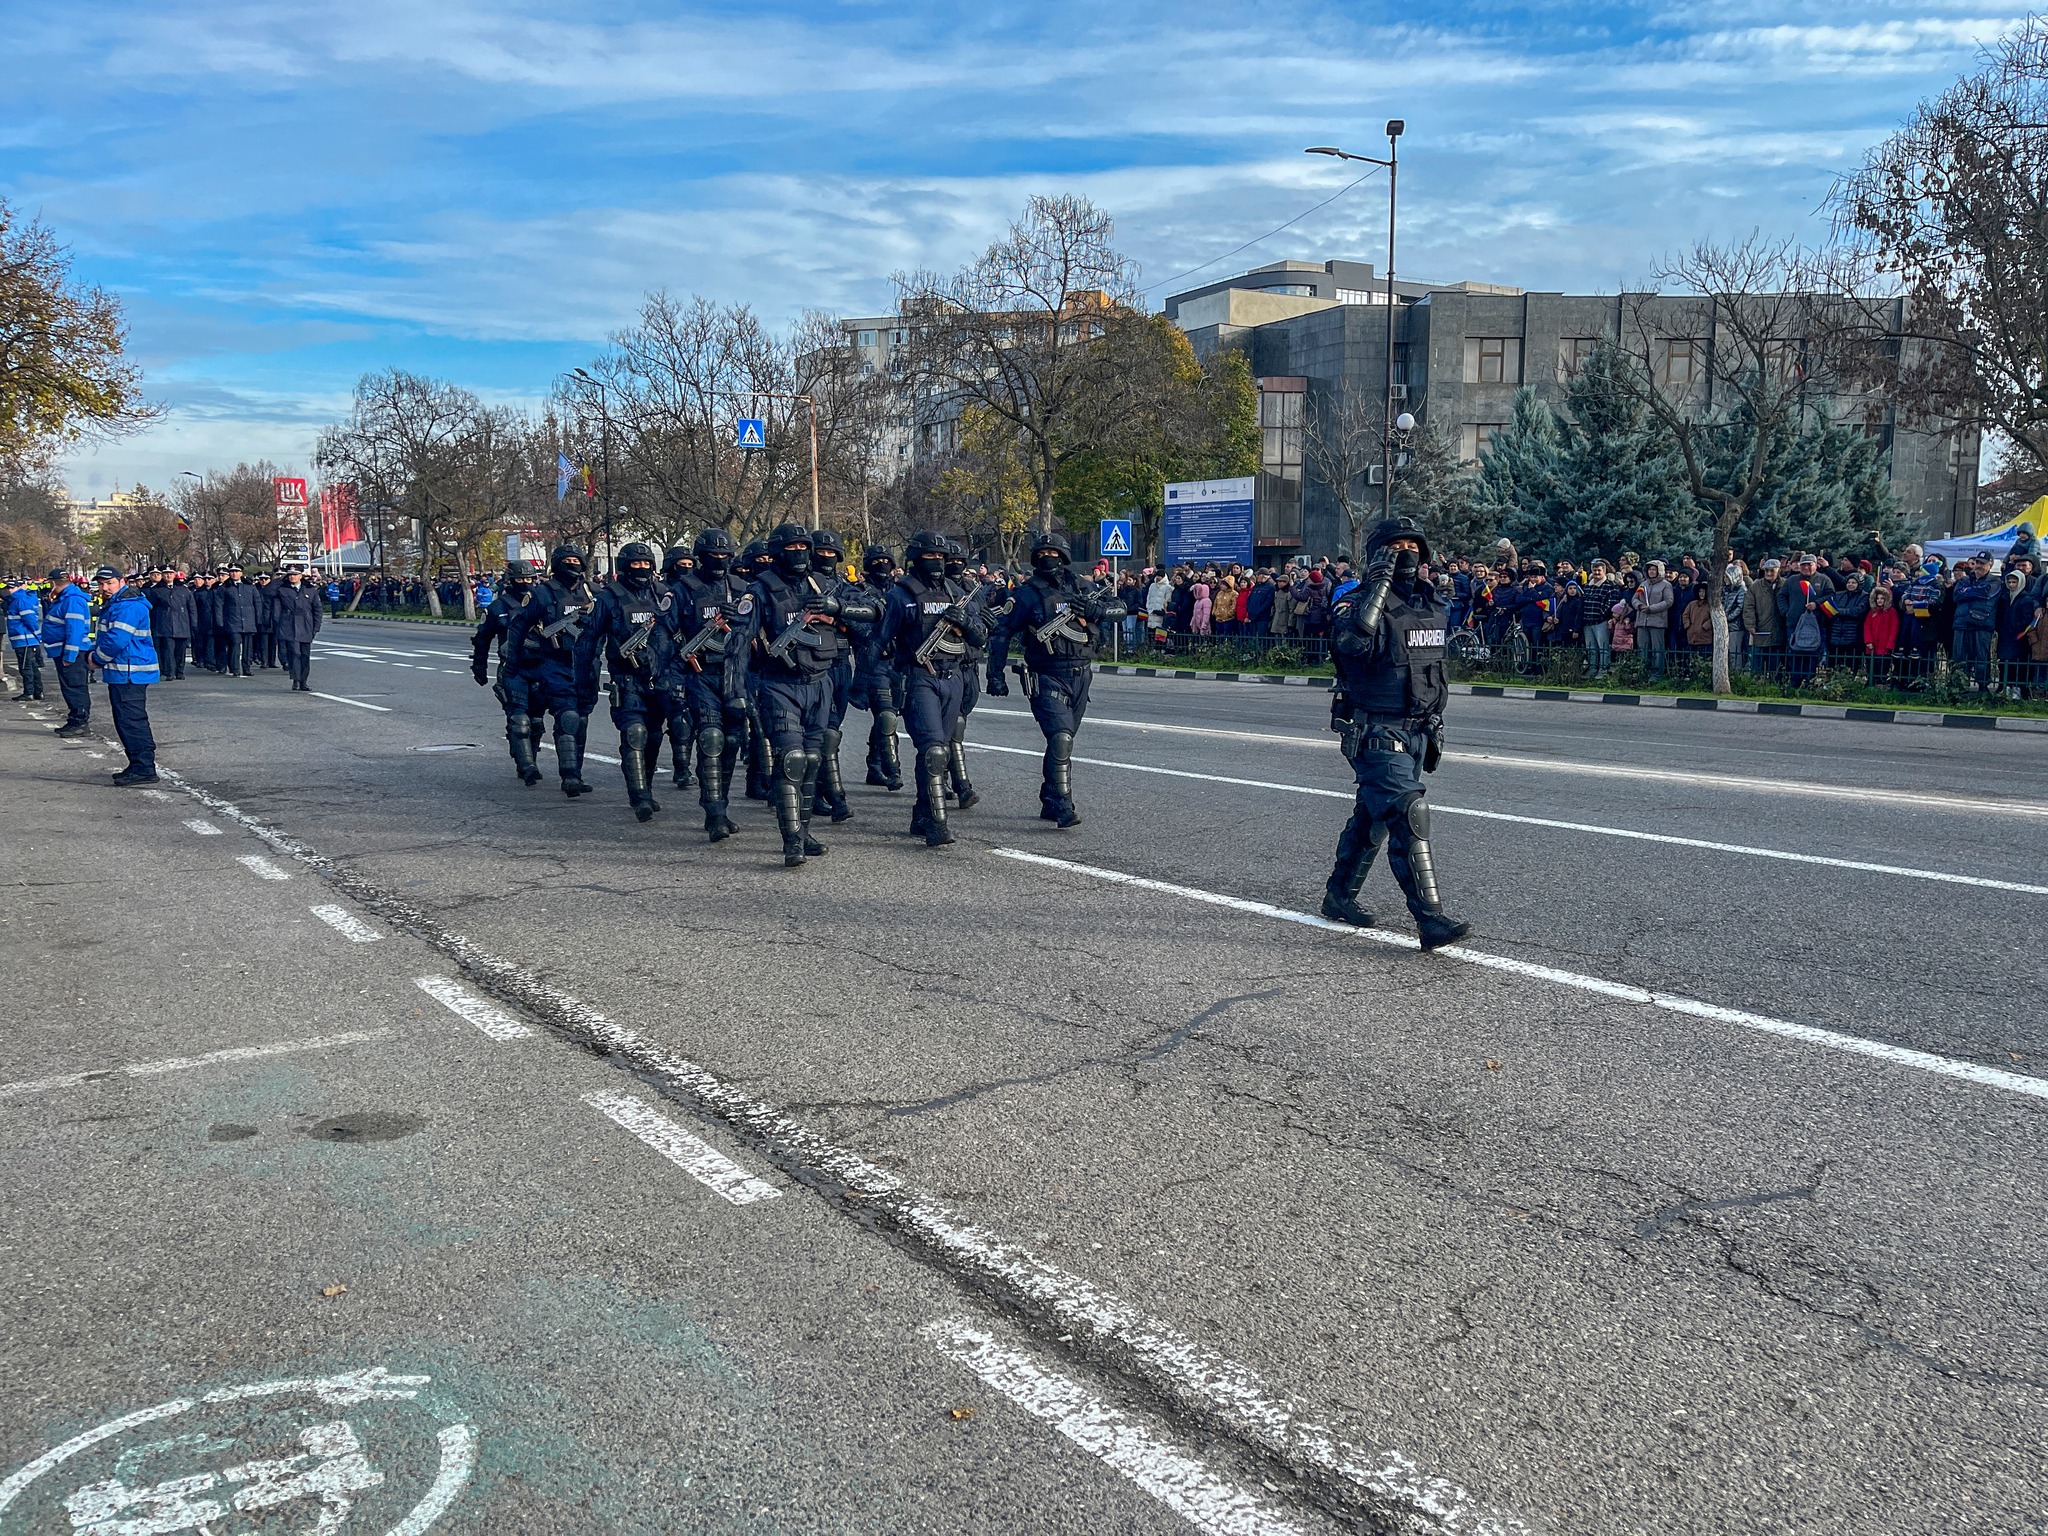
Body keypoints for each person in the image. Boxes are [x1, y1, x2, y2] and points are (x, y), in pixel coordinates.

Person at [1322, 517, 1469, 950]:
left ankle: (1339, 896)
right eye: (1395, 546)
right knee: (1408, 812)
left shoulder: (1431, 604)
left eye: (1412, 545)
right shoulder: (1356, 603)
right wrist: (1377, 583)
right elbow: (1352, 645)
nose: (1405, 553)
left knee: (1373, 817)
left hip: (1418, 730)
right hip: (1374, 729)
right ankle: (1431, 920)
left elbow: (1429, 668)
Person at [736, 523, 875, 866]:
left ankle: (805, 831)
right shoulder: (761, 590)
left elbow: (874, 611)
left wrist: (837, 608)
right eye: (791, 547)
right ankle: (791, 841)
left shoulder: (824, 584)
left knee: (813, 760)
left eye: (803, 546)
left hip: (821, 683)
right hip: (779, 684)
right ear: (777, 552)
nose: (799, 553)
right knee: (792, 760)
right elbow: (738, 644)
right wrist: (736, 691)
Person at [985, 528, 1124, 828]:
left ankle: (1050, 798)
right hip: (1046, 675)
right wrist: (995, 675)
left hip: (1081, 675)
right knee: (1060, 738)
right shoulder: (1027, 594)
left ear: (1065, 557)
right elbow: (1001, 632)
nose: (1049, 558)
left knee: (1065, 740)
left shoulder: (1082, 587)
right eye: (1043, 555)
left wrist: (1095, 609)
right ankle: (1062, 805)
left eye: (1054, 554)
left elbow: (1119, 609)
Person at [884, 529, 986, 847]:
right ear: (915, 559)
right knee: (934, 751)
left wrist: (966, 622)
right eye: (930, 556)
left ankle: (921, 812)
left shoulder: (957, 592)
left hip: (952, 677)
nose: (937, 562)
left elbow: (980, 637)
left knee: (935, 751)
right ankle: (937, 824)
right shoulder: (901, 595)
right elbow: (880, 639)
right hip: (919, 677)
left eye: (941, 557)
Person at [574, 541, 680, 823]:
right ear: (624, 566)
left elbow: (680, 630)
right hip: (626, 677)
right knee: (635, 733)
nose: (642, 569)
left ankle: (647, 786)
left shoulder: (663, 596)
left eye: (646, 564)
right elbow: (588, 641)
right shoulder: (609, 598)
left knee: (655, 735)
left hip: (659, 678)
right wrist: (584, 682)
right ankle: (639, 796)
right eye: (636, 564)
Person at [505, 547, 597, 797]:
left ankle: (577, 771)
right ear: (557, 564)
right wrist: (512, 665)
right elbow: (518, 628)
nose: (572, 565)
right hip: (556, 663)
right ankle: (570, 777)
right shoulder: (542, 594)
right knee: (567, 716)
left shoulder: (591, 592)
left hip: (586, 666)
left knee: (582, 720)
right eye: (567, 561)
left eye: (576, 561)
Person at [809, 528, 868, 823]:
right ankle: (835, 796)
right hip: (816, 664)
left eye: (831, 553)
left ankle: (818, 790)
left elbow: (866, 620)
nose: (826, 557)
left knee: (830, 732)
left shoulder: (845, 587)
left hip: (842, 663)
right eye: (821, 552)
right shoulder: (802, 585)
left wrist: (840, 617)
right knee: (825, 734)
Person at [470, 560, 544, 784]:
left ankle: (528, 756)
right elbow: (482, 639)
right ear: (510, 581)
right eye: (520, 579)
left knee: (537, 723)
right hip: (512, 669)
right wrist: (479, 667)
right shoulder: (498, 608)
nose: (525, 583)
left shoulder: (543, 603)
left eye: (529, 579)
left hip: (541, 668)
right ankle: (527, 766)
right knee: (519, 720)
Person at [89, 567, 160, 784]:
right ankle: (139, 764)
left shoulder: (127, 606)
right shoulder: (119, 604)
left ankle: (144, 767)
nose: (104, 588)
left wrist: (96, 658)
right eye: (101, 584)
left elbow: (117, 639)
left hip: (130, 672)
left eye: (109, 583)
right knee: (126, 720)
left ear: (121, 581)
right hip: (125, 671)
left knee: (131, 721)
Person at [850, 545, 905, 791]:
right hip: (874, 663)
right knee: (886, 716)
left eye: (886, 560)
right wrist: (873, 641)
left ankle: (874, 765)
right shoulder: (859, 593)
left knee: (889, 716)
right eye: (876, 561)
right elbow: (854, 622)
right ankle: (893, 771)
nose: (882, 565)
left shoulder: (900, 592)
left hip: (900, 662)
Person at [659, 546, 698, 795]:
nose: (686, 568)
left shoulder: (696, 590)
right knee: (678, 718)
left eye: (689, 563)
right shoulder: (662, 593)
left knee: (692, 720)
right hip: (669, 661)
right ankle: (681, 768)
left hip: (696, 662)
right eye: (680, 563)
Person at [44, 569, 93, 735]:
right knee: (70, 687)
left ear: (53, 582)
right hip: (64, 650)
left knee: (75, 687)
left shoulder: (72, 600)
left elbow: (75, 630)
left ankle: (80, 722)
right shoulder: (65, 598)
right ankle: (74, 720)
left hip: (71, 651)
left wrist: (69, 656)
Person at [1950, 556, 2001, 686]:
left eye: (1982, 563)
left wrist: (1967, 592)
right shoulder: (1965, 579)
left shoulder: (1995, 580)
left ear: (1990, 565)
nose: (1978, 565)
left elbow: (1987, 593)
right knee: (1959, 657)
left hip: (1982, 623)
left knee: (1981, 657)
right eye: (1977, 562)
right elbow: (1956, 596)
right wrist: (1974, 592)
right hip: (1962, 622)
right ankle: (1959, 685)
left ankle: (1983, 686)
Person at [273, 567, 323, 690]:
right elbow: (277, 610)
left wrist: (316, 627)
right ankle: (296, 679)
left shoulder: (310, 590)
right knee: (294, 653)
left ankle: (303, 681)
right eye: (290, 574)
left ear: (301, 576)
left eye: (295, 574)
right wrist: (278, 624)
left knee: (305, 655)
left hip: (306, 625)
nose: (292, 577)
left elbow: (317, 610)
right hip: (289, 625)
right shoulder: (282, 590)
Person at [1631, 560, 1674, 679]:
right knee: (1642, 648)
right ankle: (1642, 672)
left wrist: (1652, 608)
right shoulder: (1643, 584)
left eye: (1654, 569)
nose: (1651, 571)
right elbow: (1634, 599)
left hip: (1657, 622)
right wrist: (1639, 606)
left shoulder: (1666, 585)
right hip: (1642, 621)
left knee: (1657, 649)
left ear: (1659, 571)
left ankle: (1657, 674)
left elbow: (1668, 601)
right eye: (1649, 569)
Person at [7, 576, 44, 701]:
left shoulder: (20, 600)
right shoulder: (19, 599)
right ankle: (37, 691)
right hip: (25, 639)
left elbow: (30, 619)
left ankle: (29, 692)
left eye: (12, 587)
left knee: (26, 667)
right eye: (8, 587)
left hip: (24, 639)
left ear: (18, 587)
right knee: (32, 666)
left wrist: (37, 634)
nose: (9, 590)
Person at [220, 566, 258, 676]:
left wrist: (258, 619)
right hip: (232, 620)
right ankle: (235, 668)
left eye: (236, 571)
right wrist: (220, 621)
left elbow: (257, 602)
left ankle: (246, 667)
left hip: (248, 620)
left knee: (247, 647)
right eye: (232, 572)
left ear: (241, 573)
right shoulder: (225, 587)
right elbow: (219, 605)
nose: (234, 574)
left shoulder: (249, 586)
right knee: (235, 644)